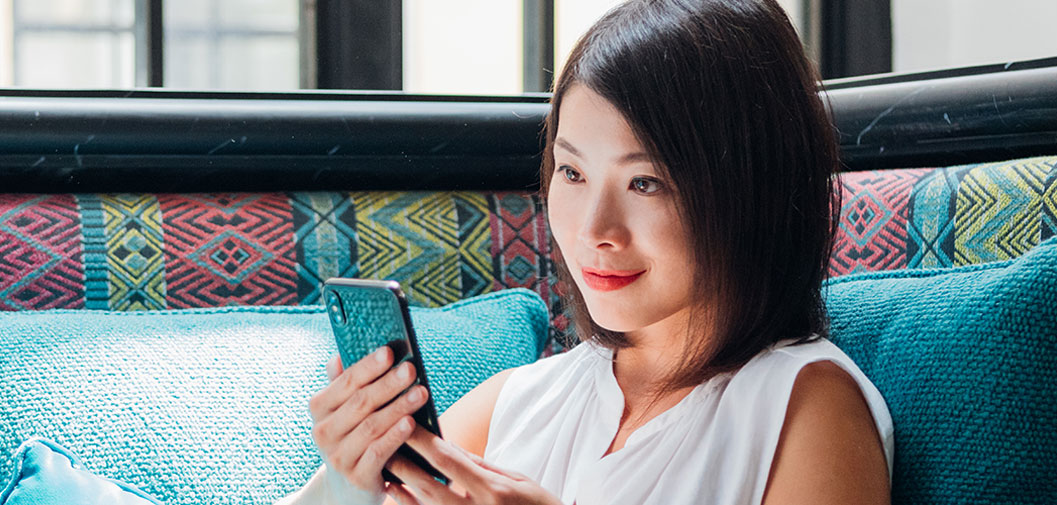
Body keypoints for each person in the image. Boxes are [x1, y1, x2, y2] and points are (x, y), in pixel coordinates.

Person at [281, 0, 893, 503]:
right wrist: (346, 484)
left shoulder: (806, 407)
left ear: (751, 191)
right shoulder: (520, 403)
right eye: (572, 173)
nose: (595, 229)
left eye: (645, 182)